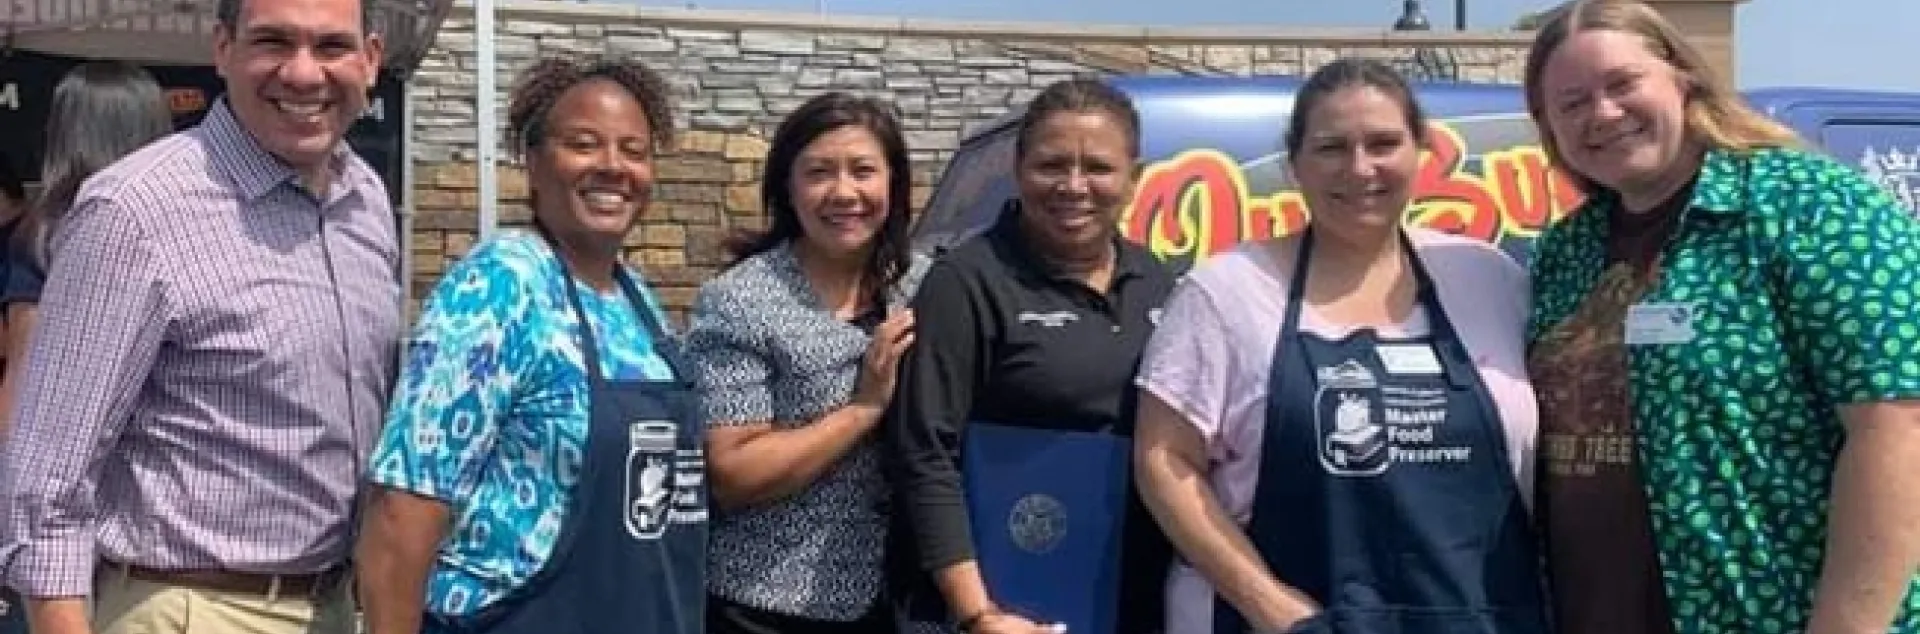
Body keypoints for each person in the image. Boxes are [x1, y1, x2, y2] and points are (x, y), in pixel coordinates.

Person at [1522, 1, 1920, 632]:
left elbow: (1898, 428)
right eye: (1571, 104)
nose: (1602, 114)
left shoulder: (1813, 206)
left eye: (1622, 84)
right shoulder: (1564, 252)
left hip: (1770, 612)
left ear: (1684, 76)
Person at [0, 0, 400, 627]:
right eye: (273, 41)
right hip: (188, 606)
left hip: (332, 604)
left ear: (370, 60)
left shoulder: (365, 204)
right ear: (223, 49)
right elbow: (45, 486)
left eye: (330, 47)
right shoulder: (134, 212)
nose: (301, 74)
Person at [1131, 57, 1551, 634]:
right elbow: (1163, 459)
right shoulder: (1226, 291)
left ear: (1421, 152)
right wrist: (1269, 605)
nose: (1360, 169)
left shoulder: (1489, 278)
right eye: (1332, 148)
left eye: (1383, 143)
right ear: (1294, 163)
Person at [355, 55, 705, 634]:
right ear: (533, 161)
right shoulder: (500, 284)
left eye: (634, 151)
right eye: (585, 144)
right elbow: (403, 511)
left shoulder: (634, 297)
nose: (613, 167)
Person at [887, 78, 1176, 634]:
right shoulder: (967, 282)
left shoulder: (1159, 282)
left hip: (1128, 597)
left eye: (1098, 167)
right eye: (1051, 165)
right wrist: (977, 612)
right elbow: (925, 454)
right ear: (1018, 171)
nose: (1074, 186)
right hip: (1002, 602)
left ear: (1134, 179)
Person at [685, 91, 929, 634]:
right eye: (819, 172)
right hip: (768, 605)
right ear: (786, 189)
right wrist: (862, 411)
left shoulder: (927, 286)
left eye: (863, 171)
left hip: (904, 601)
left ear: (894, 184)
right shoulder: (741, 300)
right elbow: (732, 472)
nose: (844, 192)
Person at [0, 61, 175, 433]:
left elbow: (22, 376)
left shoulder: (47, 235)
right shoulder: (197, 227)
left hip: (79, 449)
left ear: (64, 132)